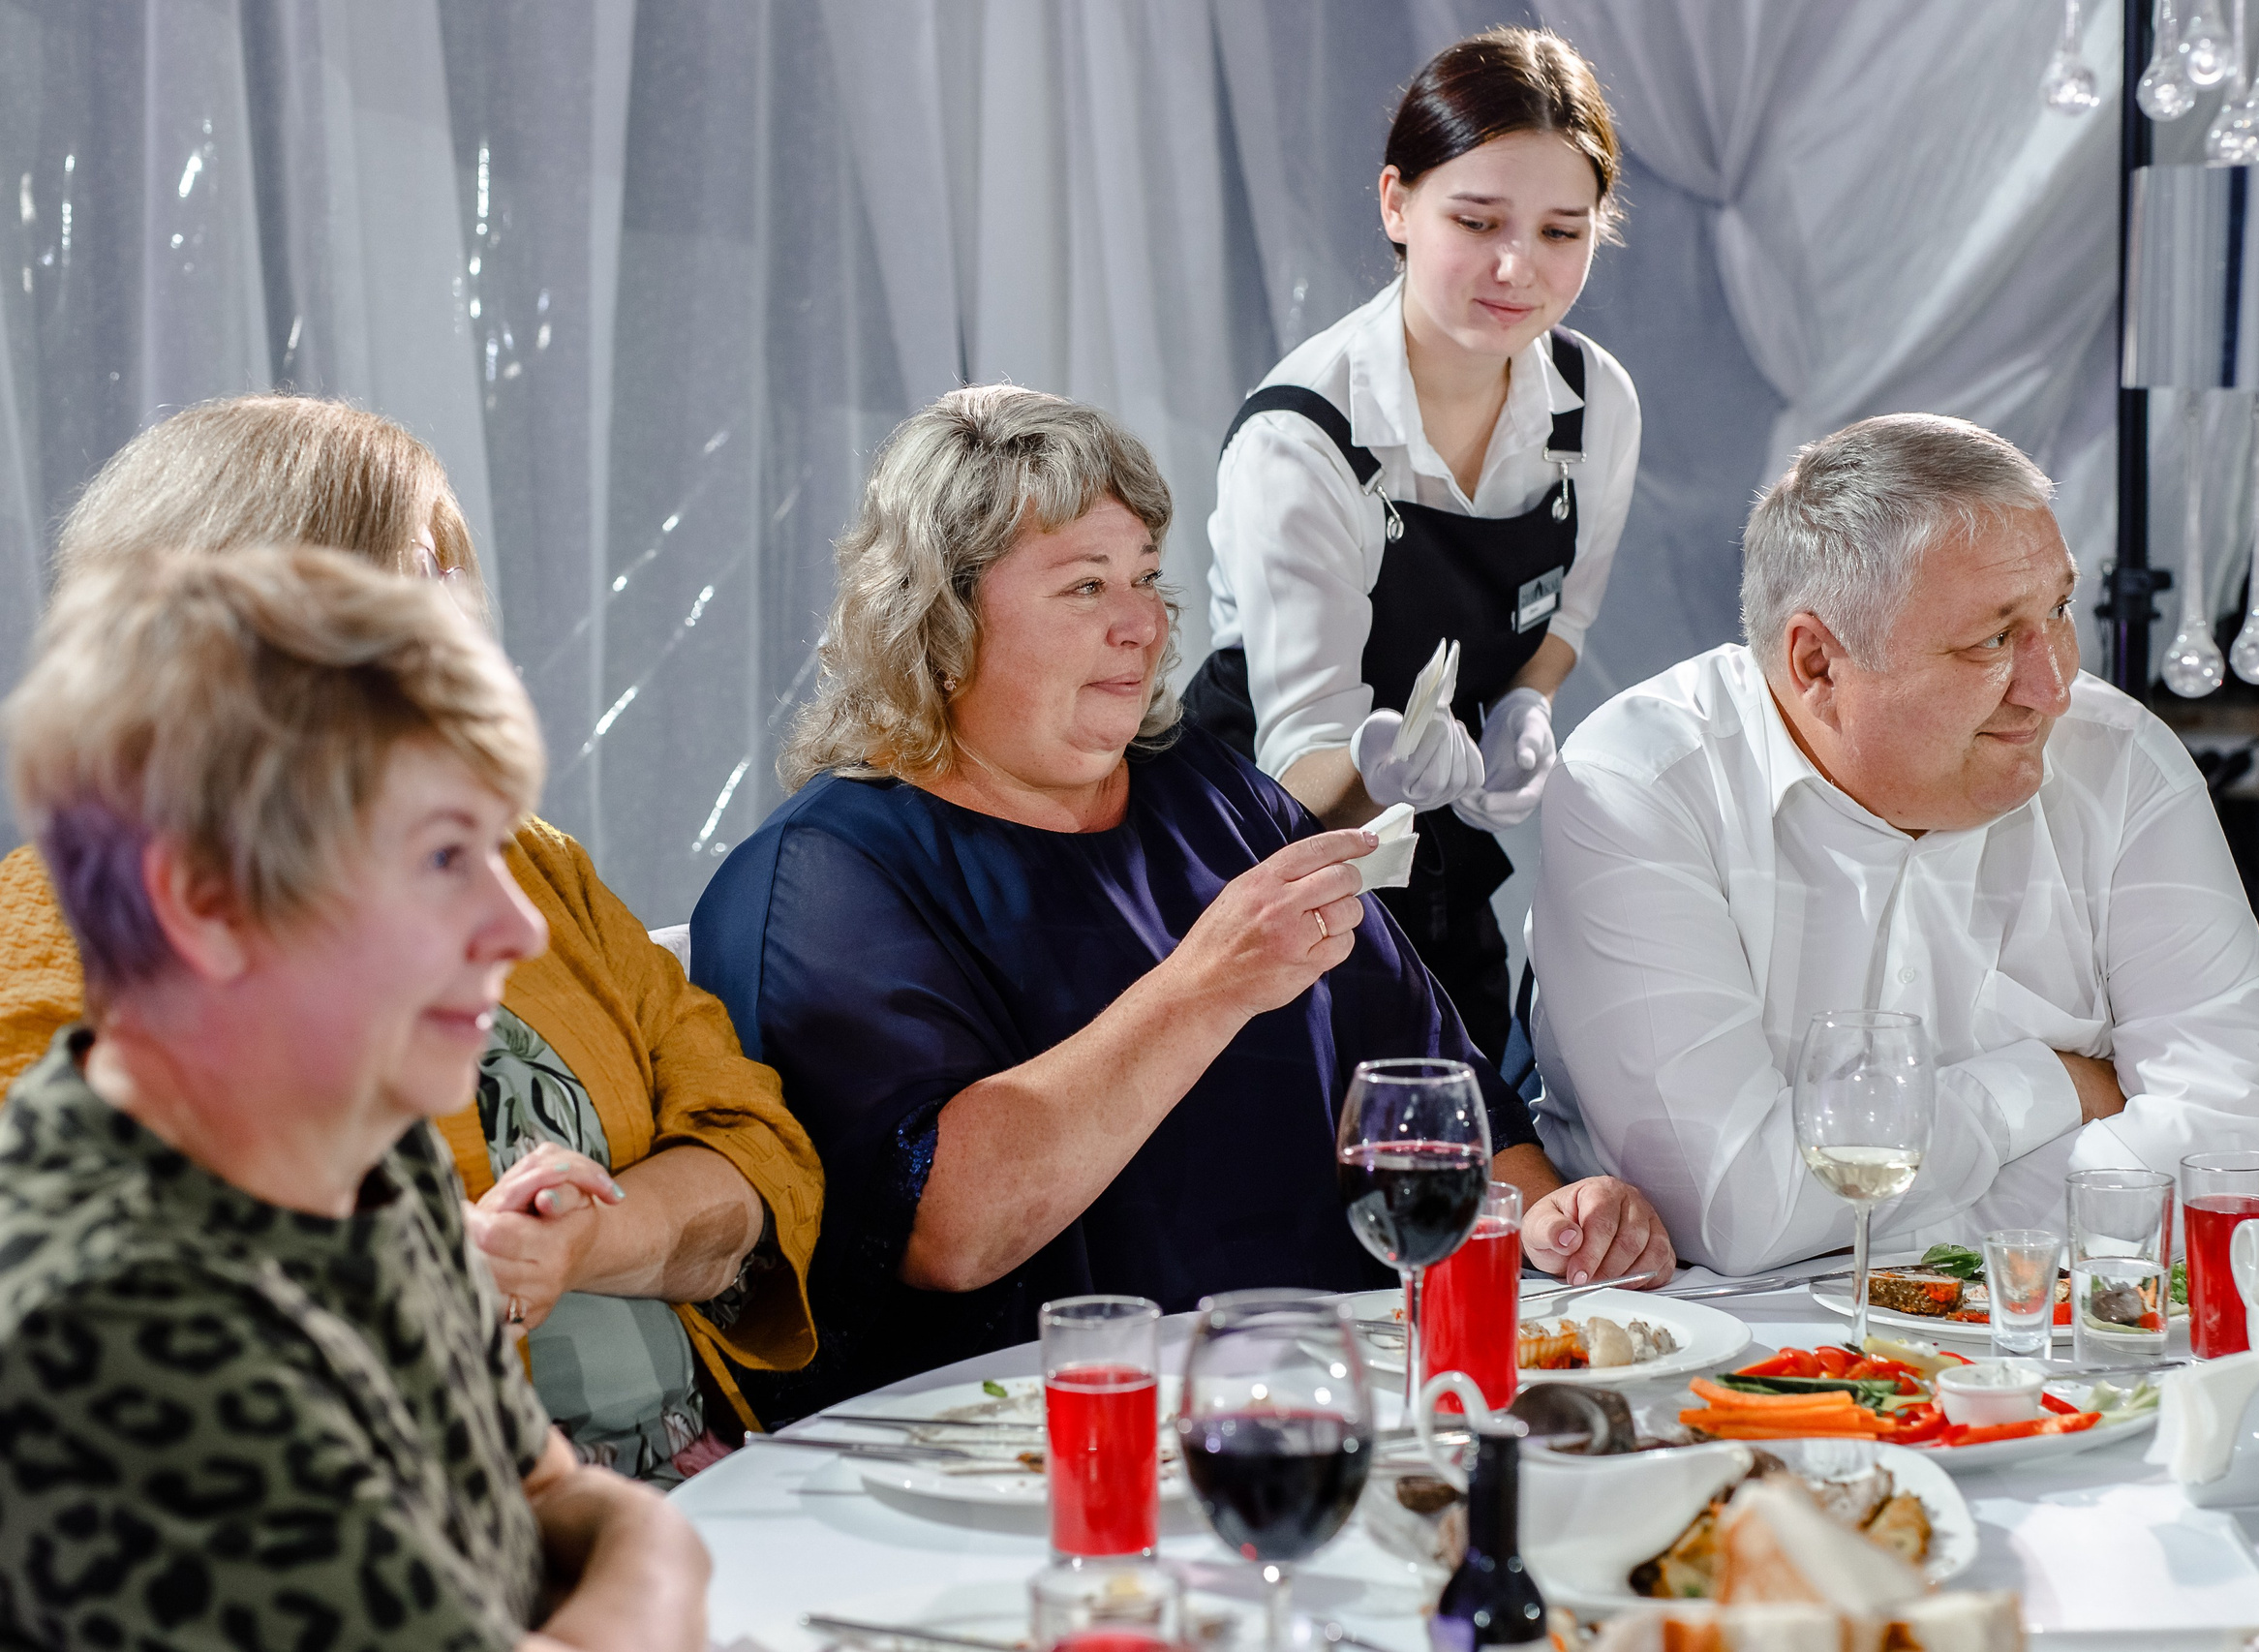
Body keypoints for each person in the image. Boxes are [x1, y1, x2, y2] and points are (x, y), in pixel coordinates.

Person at [691, 385, 1671, 1414]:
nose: (1143, 624)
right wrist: (1207, 985)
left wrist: (1553, 1215)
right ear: (941, 615)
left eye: (1148, 578)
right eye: (1083, 587)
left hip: (1325, 1403)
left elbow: (1434, 1090)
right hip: (1021, 1448)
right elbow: (946, 1230)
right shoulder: (823, 880)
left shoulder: (1211, 793)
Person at [0, 395, 823, 1481]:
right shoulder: (67, 916)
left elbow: (755, 1144)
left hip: (700, 1482)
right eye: (415, 583)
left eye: (455, 580)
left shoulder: (531, 861)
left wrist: (586, 1242)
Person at [0, 544, 708, 1650]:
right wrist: (664, 1550)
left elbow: (540, 1487)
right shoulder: (122, 1318)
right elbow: (577, 1519)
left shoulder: (370, 1149)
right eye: (439, 857)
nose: (518, 928)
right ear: (206, 903)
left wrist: (616, 1548)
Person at [1526, 413, 2259, 1278]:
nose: (2051, 688)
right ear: (1818, 664)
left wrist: (1868, 1232)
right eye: (1995, 639)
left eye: (2057, 610)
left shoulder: (2122, 762)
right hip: (1714, 1360)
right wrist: (2049, 1085)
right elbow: (1732, 1211)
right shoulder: (1642, 783)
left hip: (2058, 1351)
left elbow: (2241, 1179)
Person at [1186, 27, 1642, 1063]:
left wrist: (1528, 702)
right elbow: (1297, 767)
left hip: (1428, 842)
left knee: (1466, 1129)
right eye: (1475, 220)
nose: (1517, 266)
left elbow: (1561, 612)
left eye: (1562, 231)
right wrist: (1374, 761)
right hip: (1257, 848)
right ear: (1396, 203)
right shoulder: (1302, 438)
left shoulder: (1594, 407)